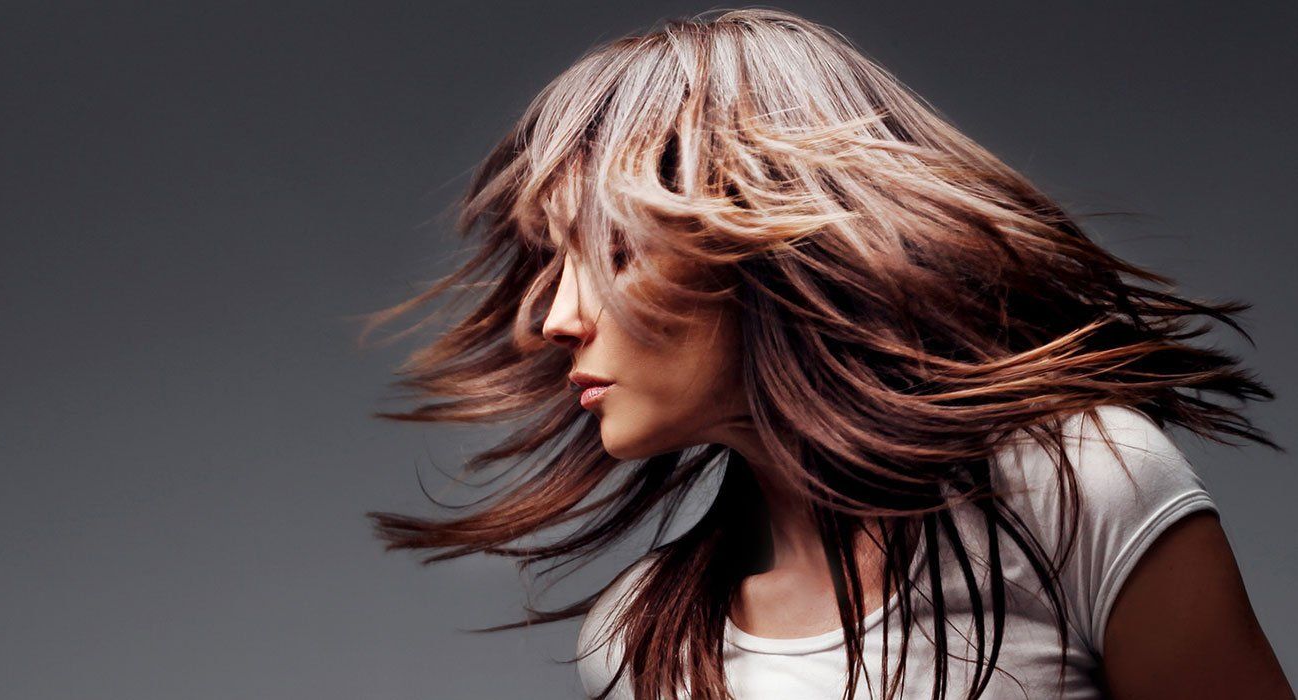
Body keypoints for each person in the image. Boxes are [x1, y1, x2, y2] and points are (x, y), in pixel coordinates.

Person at [361, 8, 1292, 699]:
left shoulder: (1079, 482)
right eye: (555, 260)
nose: (556, 317)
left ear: (769, 253)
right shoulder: (642, 642)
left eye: (613, 252)